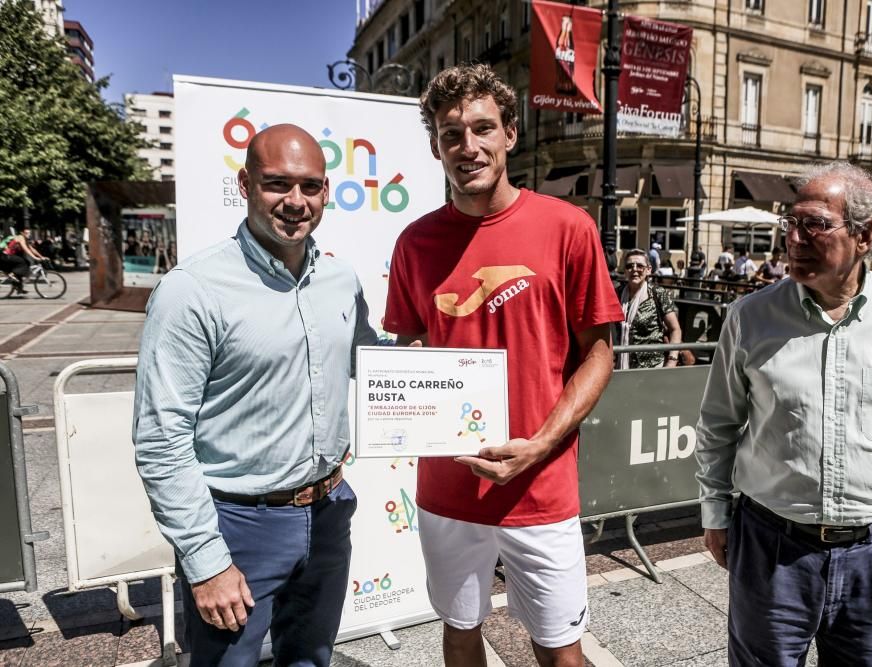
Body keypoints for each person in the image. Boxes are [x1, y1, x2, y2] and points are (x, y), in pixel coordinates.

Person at [384, 65, 622, 667]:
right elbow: (410, 343)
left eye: (482, 128)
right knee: (461, 629)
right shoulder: (415, 243)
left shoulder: (568, 227)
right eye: (451, 135)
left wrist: (540, 445)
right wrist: (405, 399)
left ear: (510, 134)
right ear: (437, 146)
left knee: (560, 646)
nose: (469, 147)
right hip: (447, 486)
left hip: (540, 486)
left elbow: (599, 352)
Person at [695, 162, 872, 667]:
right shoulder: (750, 316)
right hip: (773, 548)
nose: (794, 238)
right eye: (790, 223)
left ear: (865, 235)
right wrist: (715, 513)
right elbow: (718, 425)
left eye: (815, 224)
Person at [133, 124, 378, 666]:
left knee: (310, 659)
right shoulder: (192, 290)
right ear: (245, 184)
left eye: (310, 186)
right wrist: (205, 559)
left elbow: (371, 361)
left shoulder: (341, 279)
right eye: (277, 184)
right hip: (238, 525)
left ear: (326, 191)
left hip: (328, 512)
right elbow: (160, 439)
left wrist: (456, 366)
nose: (295, 202)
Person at [619, 249, 683, 369]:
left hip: (651, 369)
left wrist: (672, 360)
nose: (634, 269)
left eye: (640, 266)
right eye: (629, 266)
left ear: (648, 270)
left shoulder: (657, 294)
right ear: (625, 271)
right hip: (620, 369)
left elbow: (675, 329)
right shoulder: (617, 294)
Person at [1, 227, 47, 295]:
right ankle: (12, 275)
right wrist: (35, 258)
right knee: (23, 263)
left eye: (29, 233)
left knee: (25, 264)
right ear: (22, 233)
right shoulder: (20, 238)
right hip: (5, 256)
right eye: (26, 233)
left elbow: (32, 249)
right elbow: (26, 249)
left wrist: (41, 256)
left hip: (8, 257)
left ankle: (19, 288)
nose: (28, 234)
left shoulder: (25, 239)